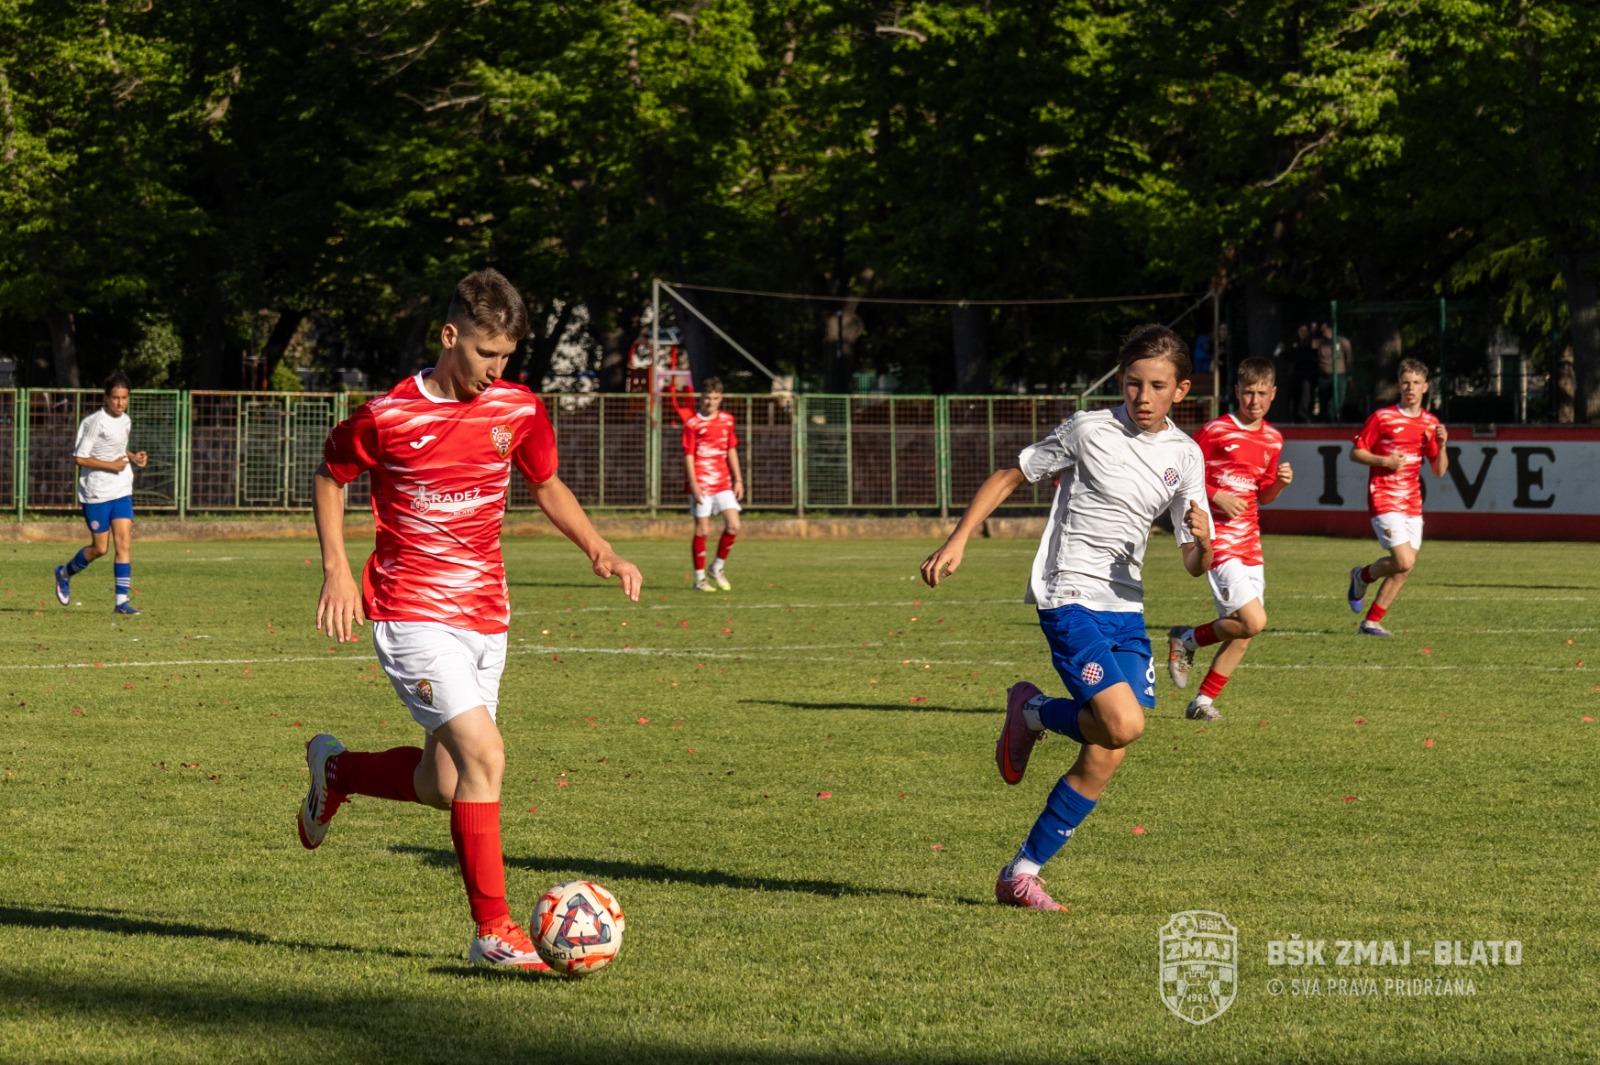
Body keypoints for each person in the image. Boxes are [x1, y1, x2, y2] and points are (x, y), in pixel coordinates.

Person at [299, 268, 643, 970]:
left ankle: (337, 770)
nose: (497, 369)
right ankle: (493, 929)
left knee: (447, 783)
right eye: (487, 353)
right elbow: (331, 475)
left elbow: (545, 483)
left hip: (487, 613)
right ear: (450, 336)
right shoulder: (388, 415)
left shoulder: (517, 410)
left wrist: (598, 547)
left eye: (508, 356)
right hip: (411, 612)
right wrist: (337, 567)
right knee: (487, 756)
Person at [920, 324, 1212, 912]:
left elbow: (1189, 558)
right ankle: (1030, 712)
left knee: (1109, 746)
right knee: (1125, 723)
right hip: (1069, 594)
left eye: (1157, 386)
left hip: (1125, 608)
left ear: (1181, 390)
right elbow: (1011, 475)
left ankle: (1019, 874)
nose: (1143, 397)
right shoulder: (1088, 429)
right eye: (1132, 384)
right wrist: (958, 540)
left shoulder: (1186, 454)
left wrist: (1204, 544)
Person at [1166, 357, 1292, 721]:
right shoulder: (1216, 431)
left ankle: (1201, 703)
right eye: (1248, 393)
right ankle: (1186, 639)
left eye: (1262, 394)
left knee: (1242, 632)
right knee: (1253, 620)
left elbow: (1262, 494)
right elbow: (1180, 476)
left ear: (1273, 394)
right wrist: (1215, 494)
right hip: (1217, 541)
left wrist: (1279, 485)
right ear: (1236, 392)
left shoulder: (1273, 438)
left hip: (1251, 543)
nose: (1254, 401)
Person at [1345, 358, 1447, 636]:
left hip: (1412, 503)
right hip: (1384, 497)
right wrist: (1384, 460)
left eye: (1415, 383)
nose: (1410, 388)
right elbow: (1355, 452)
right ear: (1398, 386)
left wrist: (1442, 444)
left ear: (1425, 387)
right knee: (1403, 560)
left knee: (1404, 568)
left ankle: (1371, 622)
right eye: (1405, 382)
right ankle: (1362, 576)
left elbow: (1438, 470)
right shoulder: (1383, 418)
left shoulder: (1430, 424)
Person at [54, 372, 148, 614]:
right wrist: (112, 466)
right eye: (115, 398)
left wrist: (132, 457)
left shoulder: (126, 420)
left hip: (121, 489)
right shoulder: (94, 422)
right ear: (106, 398)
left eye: (124, 398)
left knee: (124, 543)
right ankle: (64, 573)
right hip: (96, 492)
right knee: (100, 549)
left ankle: (121, 602)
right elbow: (80, 457)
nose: (120, 403)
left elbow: (116, 447)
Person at [682, 376, 743, 591]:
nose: (710, 402)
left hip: (723, 482)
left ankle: (716, 567)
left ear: (721, 398)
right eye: (707, 398)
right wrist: (694, 485)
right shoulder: (693, 423)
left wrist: (738, 479)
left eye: (715, 398)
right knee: (703, 530)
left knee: (734, 525)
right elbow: (689, 455)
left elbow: (731, 450)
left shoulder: (727, 420)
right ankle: (700, 579)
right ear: (702, 398)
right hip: (701, 482)